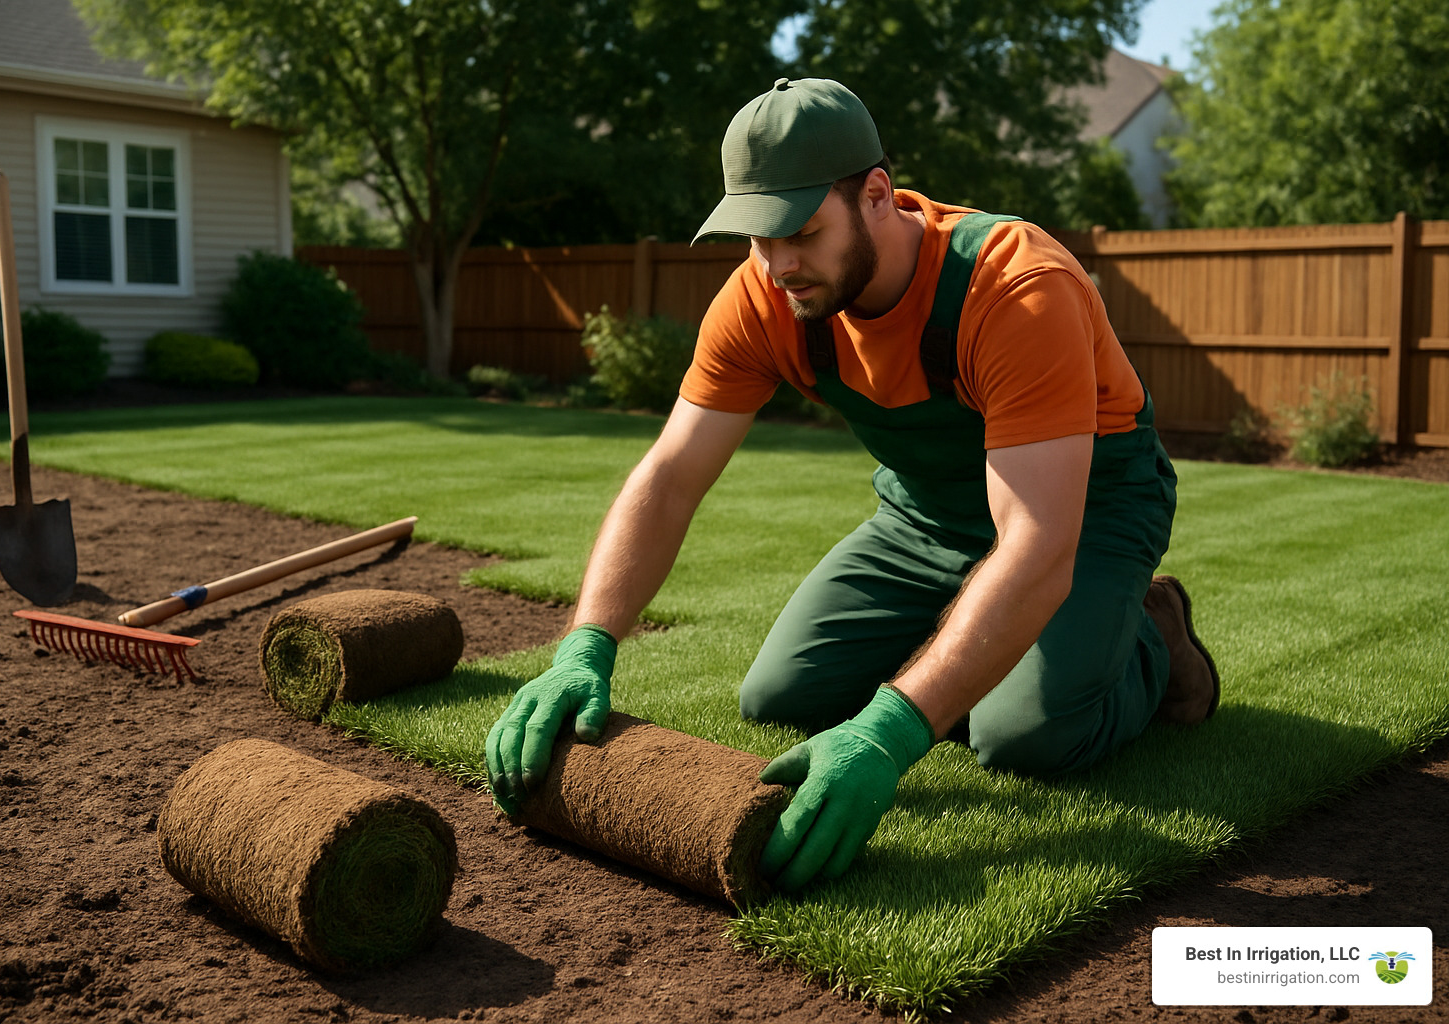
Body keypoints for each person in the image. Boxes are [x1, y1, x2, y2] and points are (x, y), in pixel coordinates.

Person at [485, 77, 1219, 893]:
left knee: (1023, 740)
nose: (777, 264)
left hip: (1088, 508)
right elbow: (668, 477)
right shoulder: (767, 294)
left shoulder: (1015, 287)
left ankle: (1153, 638)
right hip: (927, 514)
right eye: (756, 236)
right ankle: (973, 647)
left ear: (877, 195)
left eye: (800, 230)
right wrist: (585, 645)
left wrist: (889, 731)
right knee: (781, 696)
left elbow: (1041, 544)